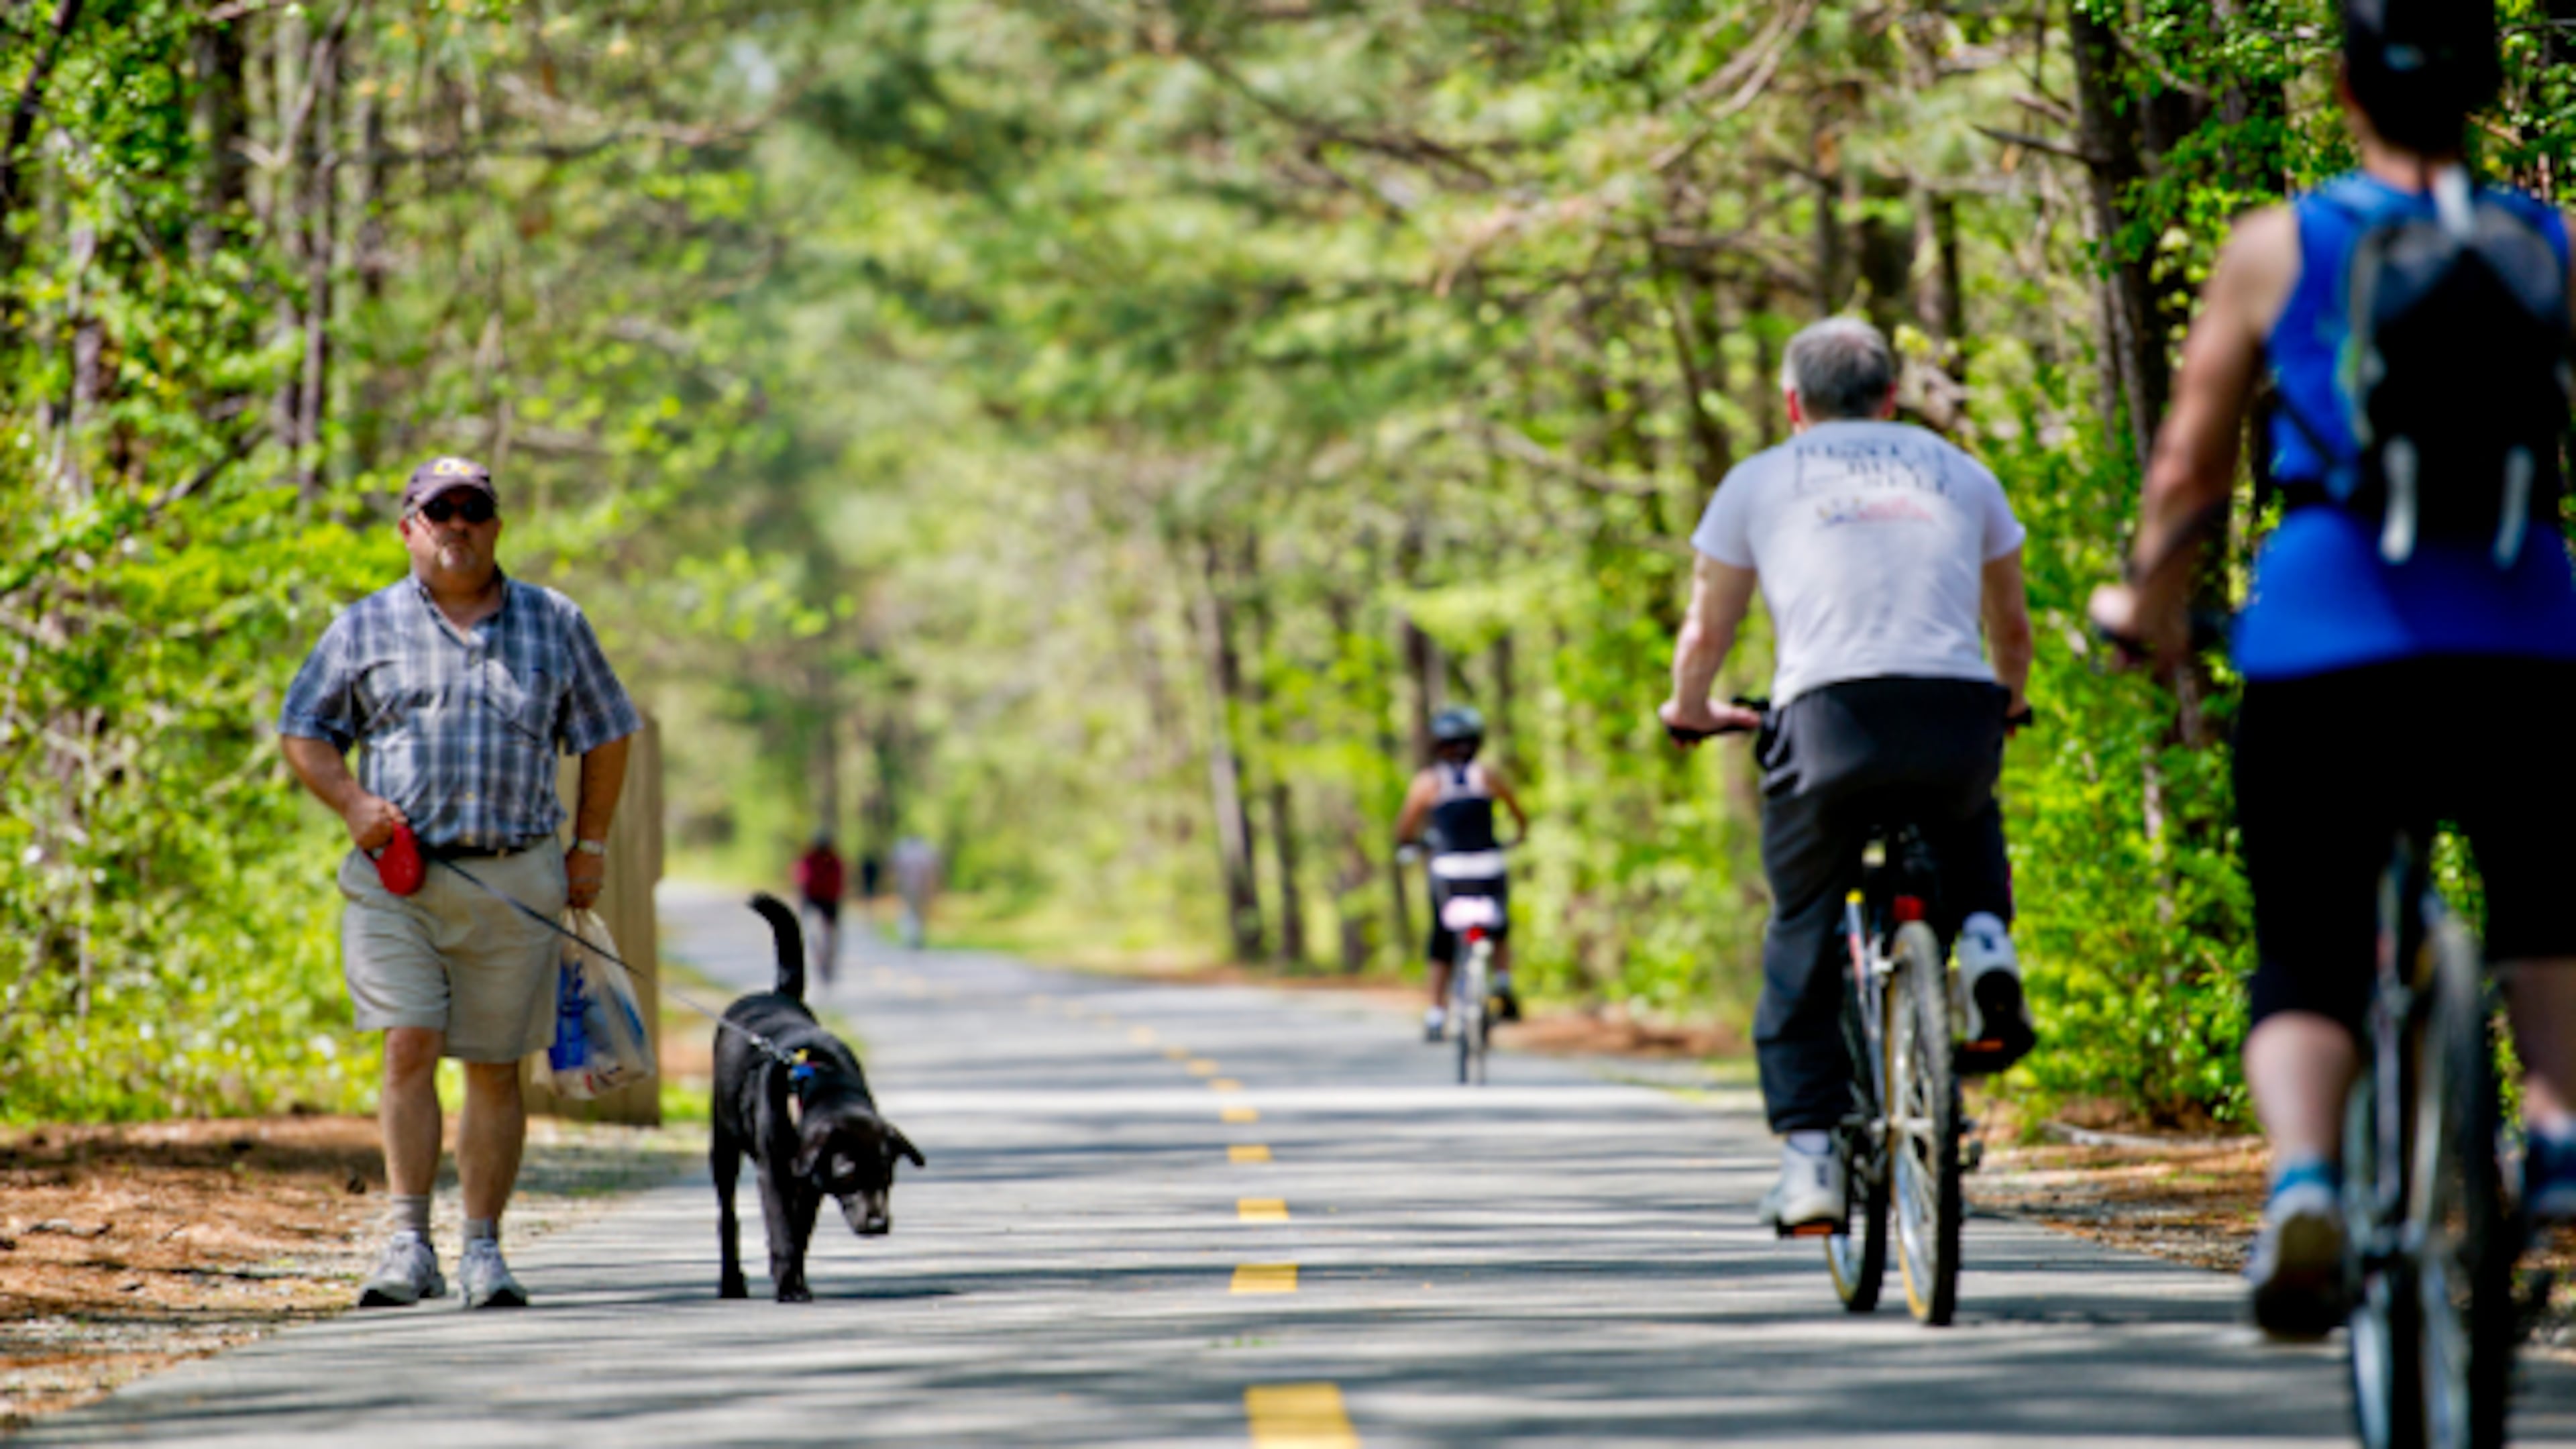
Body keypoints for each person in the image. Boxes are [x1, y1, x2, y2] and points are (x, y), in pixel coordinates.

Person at [2088, 0, 2576, 1336]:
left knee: (2308, 937)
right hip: (2525, 628)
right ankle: (2555, 1124)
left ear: (2346, 89)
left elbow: (2190, 469)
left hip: (2328, 634)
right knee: (2546, 900)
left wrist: (2146, 604)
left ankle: (2305, 1179)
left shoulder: (2280, 245)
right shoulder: (2550, 243)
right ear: (2485, 90)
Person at [1658, 317, 2037, 1235]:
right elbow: (2012, 629)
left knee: (1802, 922)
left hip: (1827, 723)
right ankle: (1986, 942)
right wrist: (2009, 704)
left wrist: (1690, 709)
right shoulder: (1962, 472)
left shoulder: (1759, 480)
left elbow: (1707, 633)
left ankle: (1810, 1162)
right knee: (1966, 815)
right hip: (1953, 709)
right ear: (1890, 397)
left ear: (1794, 404)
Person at [278, 455, 641, 1311]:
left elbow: (608, 731)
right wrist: (352, 802)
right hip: (397, 879)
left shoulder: (555, 621)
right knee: (408, 1042)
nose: (458, 525)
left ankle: (483, 1248)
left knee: (493, 1066)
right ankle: (409, 1244)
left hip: (517, 874)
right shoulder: (363, 626)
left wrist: (589, 846)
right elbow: (304, 729)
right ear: (409, 528)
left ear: (497, 525)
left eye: (473, 509)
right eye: (439, 511)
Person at [1395, 706, 1532, 1042]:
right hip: (1489, 866)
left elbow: (1405, 828)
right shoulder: (1487, 776)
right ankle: (1503, 982)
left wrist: (1411, 845)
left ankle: (1436, 1013)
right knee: (1498, 928)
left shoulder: (1428, 782)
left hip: (1448, 871)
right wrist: (1516, 837)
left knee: (1442, 939)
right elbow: (1519, 816)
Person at [794, 829, 847, 989]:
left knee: (829, 936)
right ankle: (822, 961)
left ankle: (826, 962)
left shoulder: (831, 860)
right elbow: (803, 879)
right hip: (816, 900)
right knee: (819, 934)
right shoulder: (812, 859)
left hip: (827, 900)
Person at [892, 835, 941, 950]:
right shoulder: (926, 851)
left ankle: (913, 937)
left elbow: (895, 869)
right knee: (919, 913)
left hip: (908, 887)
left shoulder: (903, 851)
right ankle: (916, 938)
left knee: (911, 912)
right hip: (921, 887)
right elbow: (932, 871)